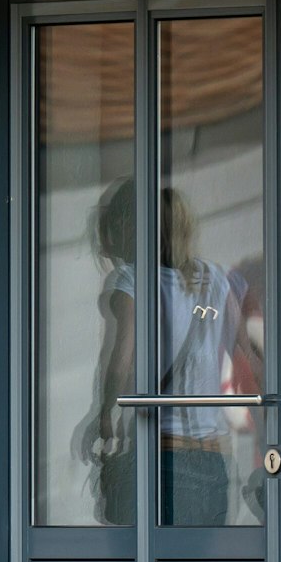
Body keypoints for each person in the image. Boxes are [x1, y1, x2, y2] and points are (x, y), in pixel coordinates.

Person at [78, 180, 253, 527]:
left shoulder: (133, 280)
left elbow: (120, 361)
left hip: (162, 457)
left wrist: (104, 415)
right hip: (214, 463)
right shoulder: (218, 280)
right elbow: (249, 360)